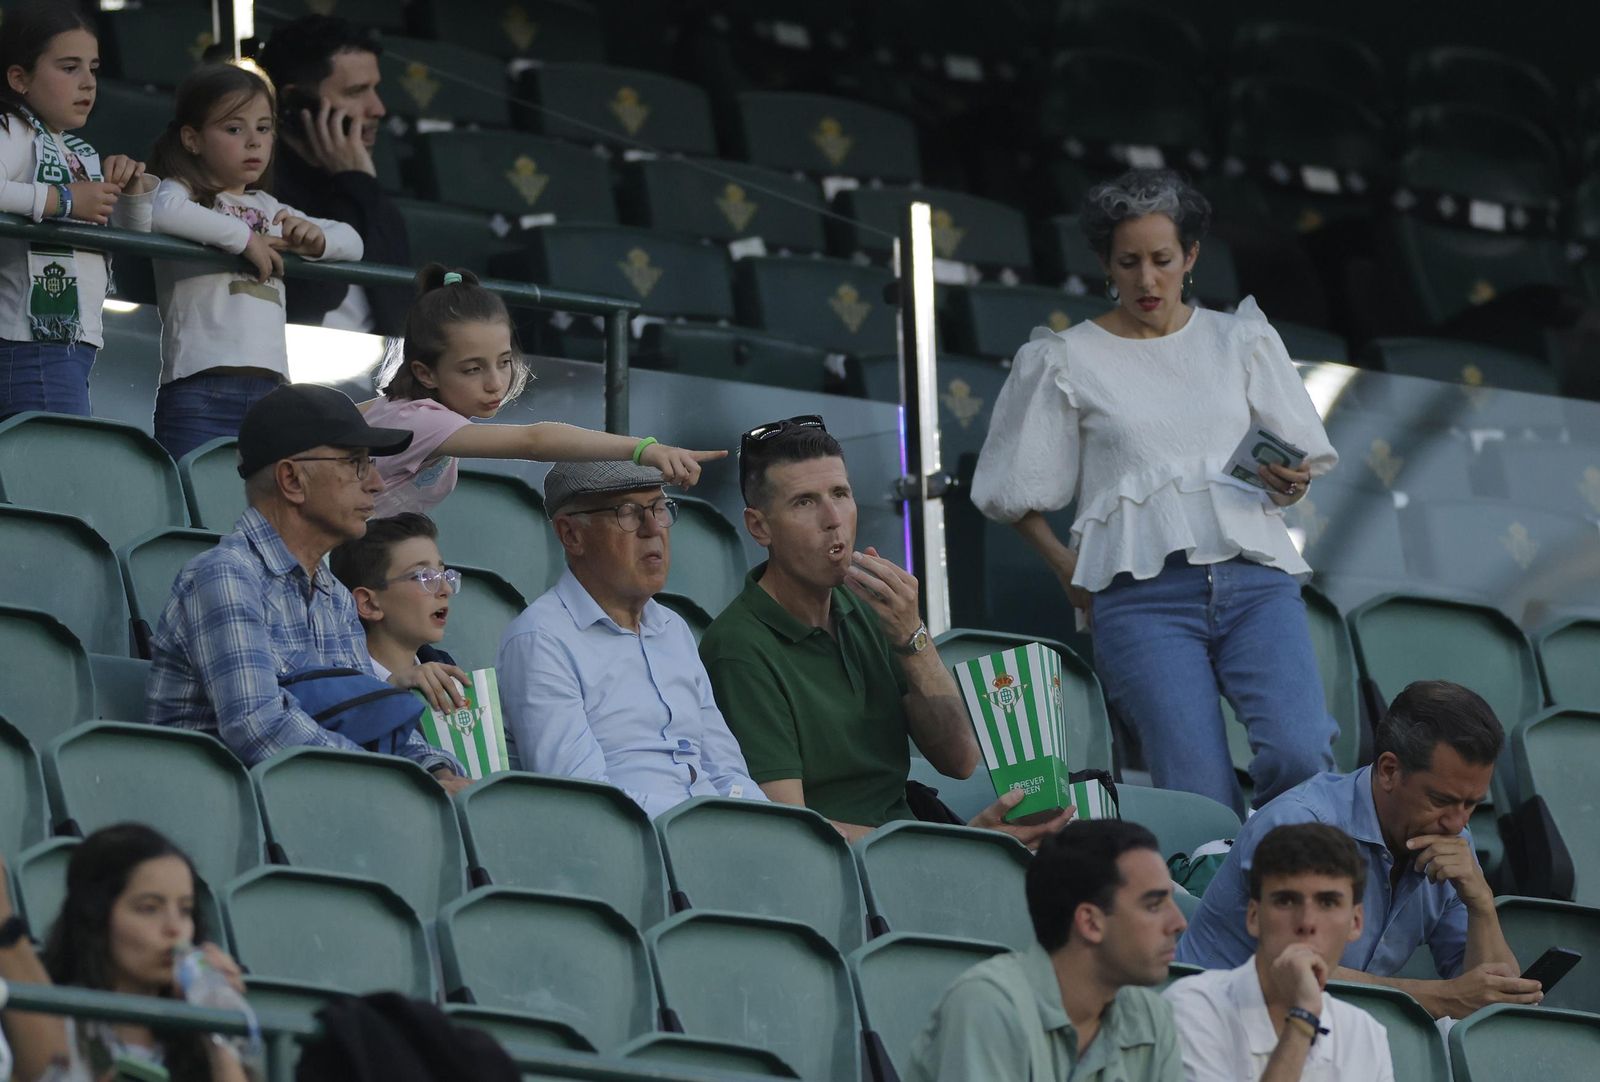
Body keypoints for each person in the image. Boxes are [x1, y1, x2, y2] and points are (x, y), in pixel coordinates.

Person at [970, 167, 1340, 817]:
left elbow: (1292, 469)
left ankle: (1283, 862)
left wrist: (1292, 484)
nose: (1146, 279)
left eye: (1162, 260)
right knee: (1196, 797)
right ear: (1104, 264)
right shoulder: (1066, 358)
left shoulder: (1240, 339)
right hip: (1141, 602)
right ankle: (1218, 877)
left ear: (1190, 257)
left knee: (1302, 753)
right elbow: (1009, 490)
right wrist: (1065, 567)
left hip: (1256, 582)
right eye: (1129, 262)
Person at [699, 416, 1073, 845]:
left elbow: (959, 758)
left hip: (913, 849)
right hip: (851, 870)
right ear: (759, 526)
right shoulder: (739, 647)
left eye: (840, 494)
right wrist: (954, 848)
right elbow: (791, 832)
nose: (832, 519)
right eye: (804, 502)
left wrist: (912, 635)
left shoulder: (872, 609)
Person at [145, 383, 471, 793]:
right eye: (355, 464)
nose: (376, 483)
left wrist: (438, 773)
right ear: (292, 480)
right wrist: (401, 784)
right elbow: (260, 730)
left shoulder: (335, 597)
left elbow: (372, 723)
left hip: (317, 806)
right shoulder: (225, 577)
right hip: (223, 815)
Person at [1175, 680, 1541, 1019]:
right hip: (1215, 1024)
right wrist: (1441, 997)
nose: (1458, 823)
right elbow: (1296, 973)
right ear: (1389, 770)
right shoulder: (1299, 825)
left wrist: (1481, 904)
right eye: (1440, 800)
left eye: (1471, 804)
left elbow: (1491, 1003)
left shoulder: (1453, 841)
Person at [497, 461, 766, 817]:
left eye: (659, 508)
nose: (653, 529)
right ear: (571, 535)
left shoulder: (673, 628)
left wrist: (764, 824)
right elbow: (582, 799)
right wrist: (703, 825)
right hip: (633, 845)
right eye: (627, 513)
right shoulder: (540, 639)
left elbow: (728, 771)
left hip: (710, 836)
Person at [360, 264, 724, 518]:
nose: (495, 382)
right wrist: (643, 449)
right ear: (425, 373)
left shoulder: (396, 409)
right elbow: (534, 441)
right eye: (472, 369)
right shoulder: (422, 422)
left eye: (504, 361)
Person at [147, 62, 363, 461]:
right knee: (192, 494)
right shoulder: (182, 195)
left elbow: (353, 241)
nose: (253, 142)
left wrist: (314, 240)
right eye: (234, 129)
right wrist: (244, 239)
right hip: (200, 385)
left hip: (271, 391)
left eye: (264, 128)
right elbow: (159, 212)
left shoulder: (269, 207)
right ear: (192, 139)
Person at [905, 819, 1186, 1082]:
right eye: (1154, 906)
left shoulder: (1152, 1016)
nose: (1179, 923)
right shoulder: (989, 1006)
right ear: (1090, 923)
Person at [0, 0, 155, 419]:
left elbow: (134, 235)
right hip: (30, 345)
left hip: (69, 345)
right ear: (19, 78)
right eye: (69, 68)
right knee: (53, 460)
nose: (88, 83)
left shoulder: (80, 152)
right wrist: (65, 200)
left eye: (94, 69)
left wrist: (131, 191)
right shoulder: (12, 128)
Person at [1164, 823, 1395, 1081]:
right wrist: (1303, 1018)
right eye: (1286, 901)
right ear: (1253, 916)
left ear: (1356, 922)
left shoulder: (1365, 1034)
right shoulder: (1192, 1007)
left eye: (1328, 903)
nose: (1307, 922)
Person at [40, 824, 249, 1082]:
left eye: (185, 910)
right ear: (95, 917)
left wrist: (217, 1031)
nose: (175, 928)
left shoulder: (194, 1041)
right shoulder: (51, 1027)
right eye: (149, 908)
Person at [256, 14, 408, 335]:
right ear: (295, 101)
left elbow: (400, 319)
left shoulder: (372, 195)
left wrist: (356, 184)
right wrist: (353, 184)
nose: (377, 109)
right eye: (356, 92)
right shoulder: (256, 189)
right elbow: (312, 300)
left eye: (375, 89)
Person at [329, 511, 470, 714]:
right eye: (423, 577)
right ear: (369, 604)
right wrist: (388, 690)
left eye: (442, 574)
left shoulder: (444, 667)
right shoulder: (336, 685)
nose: (446, 589)